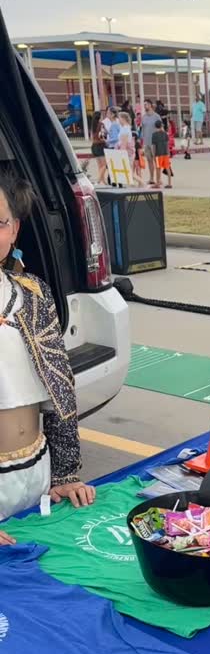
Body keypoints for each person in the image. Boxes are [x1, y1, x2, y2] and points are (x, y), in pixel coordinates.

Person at [0, 175, 95, 543]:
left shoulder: (34, 293)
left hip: (36, 476)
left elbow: (60, 391)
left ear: (14, 231)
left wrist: (65, 475)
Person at [140, 99, 158, 185]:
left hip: (154, 143)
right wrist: (142, 142)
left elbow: (160, 129)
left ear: (150, 105)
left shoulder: (156, 116)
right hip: (146, 142)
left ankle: (158, 179)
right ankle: (151, 178)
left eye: (146, 104)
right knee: (149, 160)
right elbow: (143, 129)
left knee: (156, 161)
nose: (145, 106)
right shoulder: (144, 117)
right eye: (144, 105)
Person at [151, 118, 172, 189]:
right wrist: (168, 153)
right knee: (167, 167)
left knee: (158, 168)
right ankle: (169, 183)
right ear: (161, 125)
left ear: (155, 126)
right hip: (165, 153)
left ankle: (157, 183)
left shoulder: (154, 135)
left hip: (158, 154)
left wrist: (153, 155)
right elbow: (167, 144)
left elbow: (154, 146)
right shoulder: (165, 134)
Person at [90, 111, 107, 185]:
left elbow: (91, 137)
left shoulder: (92, 125)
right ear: (100, 117)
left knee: (100, 166)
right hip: (100, 146)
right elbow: (103, 136)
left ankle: (103, 181)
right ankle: (98, 180)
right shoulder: (101, 125)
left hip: (94, 146)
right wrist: (106, 141)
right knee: (105, 165)